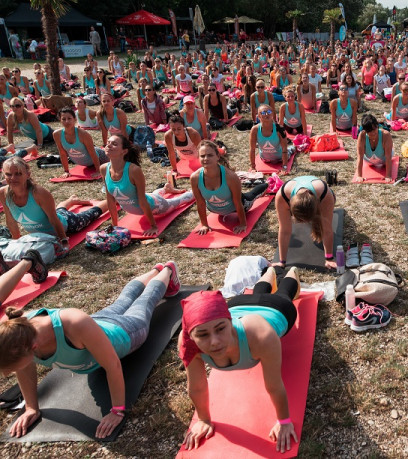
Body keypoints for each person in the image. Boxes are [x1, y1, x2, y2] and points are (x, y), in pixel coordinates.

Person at [0, 261, 182, 438]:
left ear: (33, 348)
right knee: (124, 300)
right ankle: (154, 270)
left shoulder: (71, 322)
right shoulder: (16, 333)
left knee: (144, 301)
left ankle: (167, 270)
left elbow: (112, 365)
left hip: (126, 333)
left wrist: (117, 410)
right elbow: (23, 367)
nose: (13, 372)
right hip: (96, 325)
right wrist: (32, 407)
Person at [178, 269, 303, 452]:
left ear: (229, 322)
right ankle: (269, 272)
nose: (214, 342)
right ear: (191, 335)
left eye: (221, 329)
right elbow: (196, 386)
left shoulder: (261, 336)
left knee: (284, 292)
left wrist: (283, 421)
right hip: (237, 305)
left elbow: (274, 385)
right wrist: (203, 419)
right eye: (203, 335)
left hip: (277, 308)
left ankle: (290, 270)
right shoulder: (188, 343)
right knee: (257, 293)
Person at [0, 156, 108, 247]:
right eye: (8, 174)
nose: (13, 178)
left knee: (92, 213)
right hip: (43, 233)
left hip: (67, 223)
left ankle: (111, 200)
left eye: (18, 174)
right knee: (58, 211)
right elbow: (10, 221)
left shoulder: (39, 193)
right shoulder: (3, 193)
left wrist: (64, 240)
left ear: (27, 175)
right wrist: (16, 243)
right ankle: (71, 201)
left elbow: (54, 219)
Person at [101, 134, 195, 238]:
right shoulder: (104, 169)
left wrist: (153, 226)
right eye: (108, 143)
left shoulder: (133, 170)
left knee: (179, 201)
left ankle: (194, 191)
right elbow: (110, 199)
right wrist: (114, 226)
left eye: (114, 144)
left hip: (155, 205)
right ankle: (166, 189)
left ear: (124, 151)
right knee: (152, 195)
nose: (108, 145)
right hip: (146, 199)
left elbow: (142, 200)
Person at [190, 141, 268, 235]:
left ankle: (268, 185)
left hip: (237, 207)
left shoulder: (230, 176)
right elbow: (200, 203)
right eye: (202, 156)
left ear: (217, 157)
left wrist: (243, 224)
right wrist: (204, 225)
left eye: (210, 155)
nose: (206, 158)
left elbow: (238, 202)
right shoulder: (195, 177)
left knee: (252, 195)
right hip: (214, 209)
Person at [271, 175, 336, 269]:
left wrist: (329, 258)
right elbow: (284, 231)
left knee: (324, 223)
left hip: (321, 195)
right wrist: (282, 261)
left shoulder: (325, 194)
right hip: (291, 195)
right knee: (285, 225)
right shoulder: (282, 196)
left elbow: (327, 230)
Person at [53, 107, 108, 176]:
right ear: (60, 120)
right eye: (63, 119)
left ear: (75, 119)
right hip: (87, 163)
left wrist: (98, 171)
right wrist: (66, 171)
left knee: (118, 162)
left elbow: (93, 153)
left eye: (69, 118)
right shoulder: (57, 134)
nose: (66, 121)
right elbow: (62, 153)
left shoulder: (83, 134)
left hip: (100, 157)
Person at [354, 113, 394, 183]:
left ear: (377, 126)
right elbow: (360, 156)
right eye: (369, 131)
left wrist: (388, 175)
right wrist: (359, 175)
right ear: (365, 131)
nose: (373, 133)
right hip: (368, 160)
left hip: (384, 159)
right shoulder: (362, 135)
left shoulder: (386, 135)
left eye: (374, 129)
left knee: (390, 154)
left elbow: (388, 157)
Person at [250, 104, 290, 173]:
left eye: (268, 112)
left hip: (280, 158)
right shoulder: (255, 129)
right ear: (259, 116)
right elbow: (252, 149)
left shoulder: (279, 128)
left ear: (272, 114)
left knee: (290, 150)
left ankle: (293, 148)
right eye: (263, 112)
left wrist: (285, 167)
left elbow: (284, 149)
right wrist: (253, 167)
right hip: (265, 159)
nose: (266, 114)